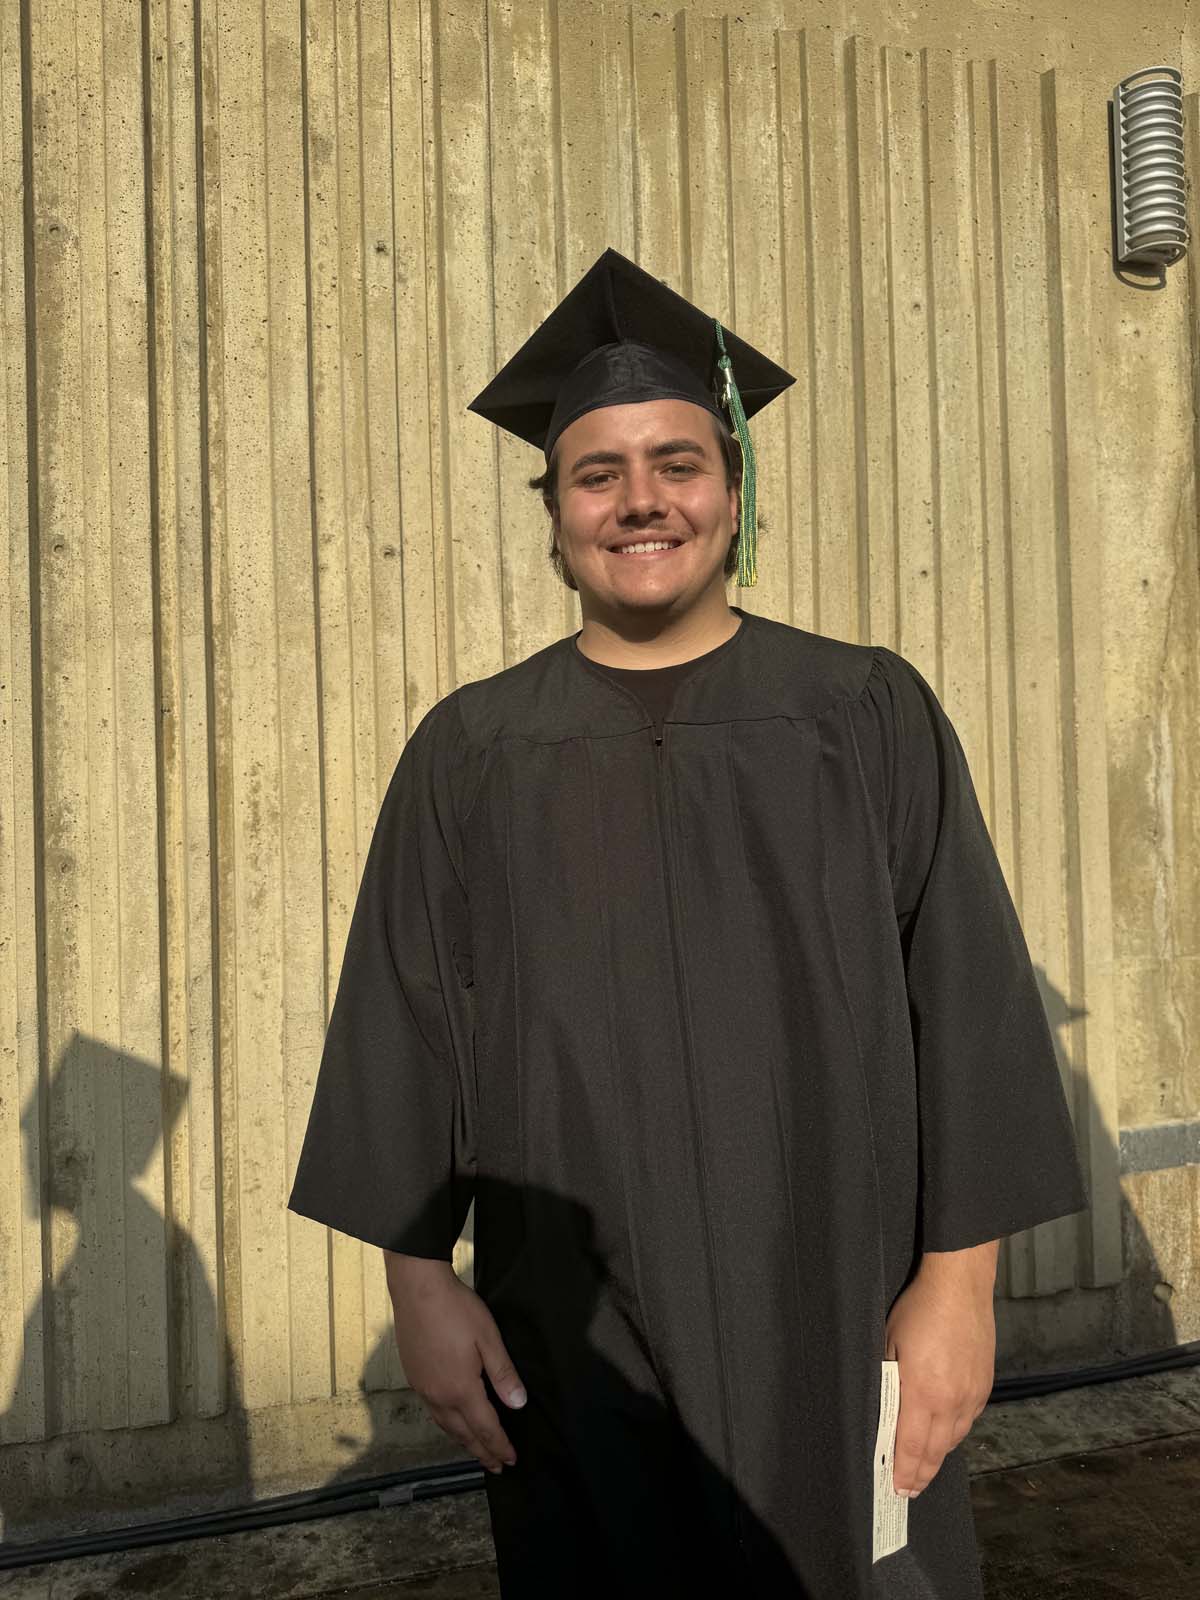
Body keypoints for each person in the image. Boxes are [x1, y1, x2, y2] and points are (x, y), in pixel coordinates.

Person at [288, 248, 1088, 1597]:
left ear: (733, 492)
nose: (641, 500)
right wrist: (418, 1285)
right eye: (598, 473)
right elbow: (403, 1022)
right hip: (576, 1329)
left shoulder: (864, 714)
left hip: (839, 1305)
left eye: (678, 463)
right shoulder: (472, 751)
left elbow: (963, 1005)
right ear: (554, 513)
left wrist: (958, 1290)